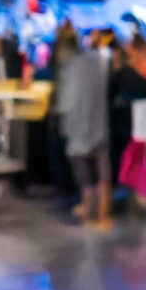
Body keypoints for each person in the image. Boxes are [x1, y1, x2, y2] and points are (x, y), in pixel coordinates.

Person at [56, 31, 113, 229]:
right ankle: (102, 214)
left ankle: (90, 212)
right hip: (98, 122)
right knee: (101, 166)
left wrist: (63, 124)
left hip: (79, 125)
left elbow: (66, 102)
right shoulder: (98, 61)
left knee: (84, 170)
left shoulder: (72, 67)